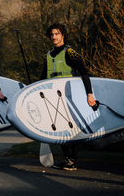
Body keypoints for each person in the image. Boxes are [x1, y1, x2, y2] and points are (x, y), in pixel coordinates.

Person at [41, 23, 96, 171]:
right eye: (52, 34)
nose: (54, 37)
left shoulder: (70, 52)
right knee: (59, 129)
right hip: (53, 98)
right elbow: (41, 78)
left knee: (72, 128)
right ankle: (66, 159)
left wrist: (89, 94)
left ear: (63, 35)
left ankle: (73, 160)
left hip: (69, 96)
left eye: (57, 34)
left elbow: (84, 72)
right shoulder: (48, 55)